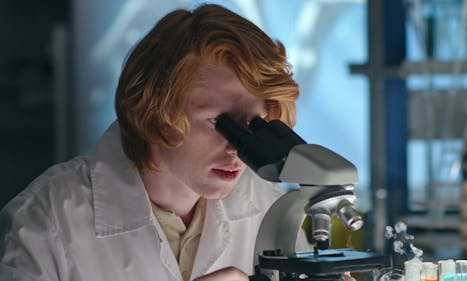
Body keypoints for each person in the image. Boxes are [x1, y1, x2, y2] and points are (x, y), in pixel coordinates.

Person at [0, 3, 304, 281]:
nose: (239, 149)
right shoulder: (47, 220)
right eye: (219, 124)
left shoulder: (270, 210)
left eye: (256, 125)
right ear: (155, 113)